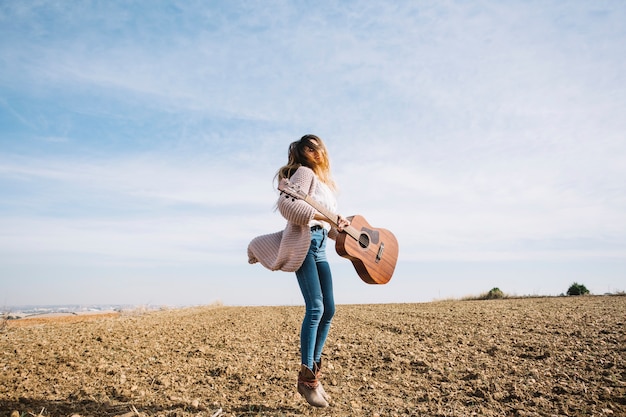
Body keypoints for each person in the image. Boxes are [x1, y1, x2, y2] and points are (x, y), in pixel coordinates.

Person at [248, 134, 350, 408]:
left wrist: (338, 227)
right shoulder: (304, 173)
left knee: (329, 309)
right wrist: (320, 216)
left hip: (320, 246)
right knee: (315, 308)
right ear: (303, 151)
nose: (315, 149)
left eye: (317, 144)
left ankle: (314, 375)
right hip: (305, 243)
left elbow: (325, 225)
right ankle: (306, 381)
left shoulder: (325, 184)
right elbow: (288, 206)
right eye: (310, 145)